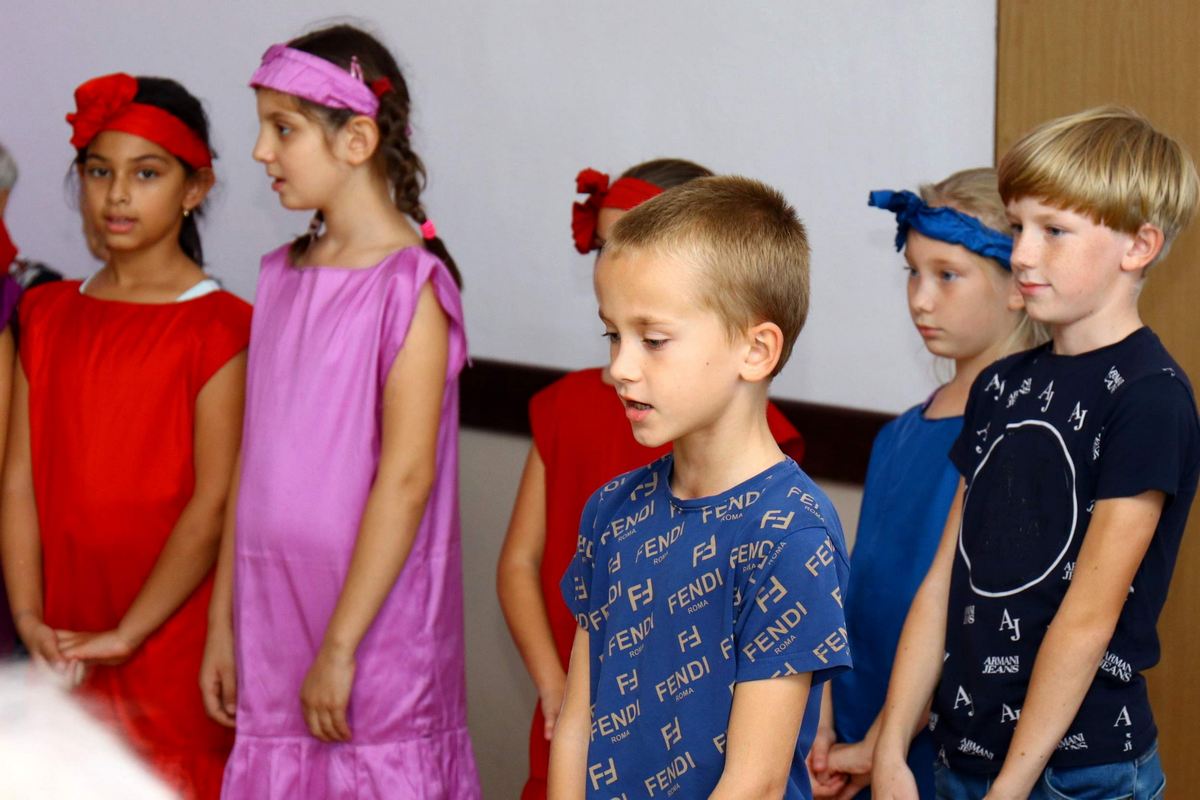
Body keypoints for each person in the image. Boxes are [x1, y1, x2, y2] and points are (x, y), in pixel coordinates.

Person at [871, 106, 1199, 800]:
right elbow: (944, 580)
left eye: (1053, 231)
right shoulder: (1000, 385)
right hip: (963, 757)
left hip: (1076, 773)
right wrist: (891, 746)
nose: (1021, 253)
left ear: (1138, 246)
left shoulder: (1150, 397)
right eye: (1018, 227)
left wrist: (1012, 786)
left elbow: (1088, 619)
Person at [203, 24, 480, 798]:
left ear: (357, 139)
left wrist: (340, 646)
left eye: (283, 129)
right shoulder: (279, 277)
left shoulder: (410, 288)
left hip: (370, 630)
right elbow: (252, 463)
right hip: (272, 618)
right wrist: (224, 621)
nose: (261, 151)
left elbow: (406, 481)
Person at [498, 158, 805, 800]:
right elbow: (577, 724)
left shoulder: (790, 532)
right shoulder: (613, 509)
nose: (619, 368)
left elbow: (756, 779)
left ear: (756, 351)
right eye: (613, 336)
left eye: (654, 340)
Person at [1, 72, 250, 798]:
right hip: (61, 635)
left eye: (146, 174)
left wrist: (130, 632)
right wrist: (27, 615)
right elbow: (18, 481)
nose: (116, 196)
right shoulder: (46, 313)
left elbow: (213, 504)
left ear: (194, 188)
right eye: (98, 172)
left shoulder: (222, 327)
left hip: (169, 639)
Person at [808, 169, 1045, 799]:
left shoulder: (1019, 437)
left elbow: (972, 619)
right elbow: (855, 593)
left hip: (941, 744)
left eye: (947, 275)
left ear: (1017, 286)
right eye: (913, 272)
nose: (920, 299)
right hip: (858, 722)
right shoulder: (897, 436)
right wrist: (825, 724)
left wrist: (879, 746)